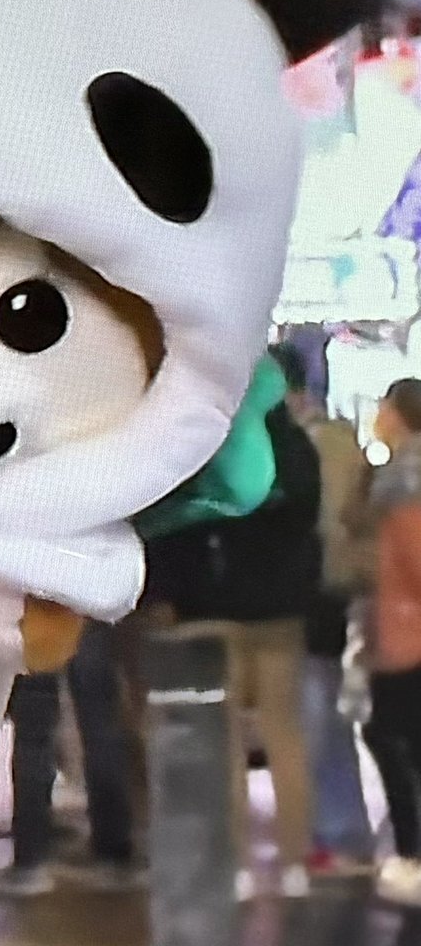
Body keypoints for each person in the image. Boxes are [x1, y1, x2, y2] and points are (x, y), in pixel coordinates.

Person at [144, 394, 322, 900]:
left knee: (225, 746)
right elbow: (309, 519)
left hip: (212, 606)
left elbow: (177, 525)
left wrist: (167, 595)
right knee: (285, 735)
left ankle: (239, 867)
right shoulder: (293, 444)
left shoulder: (210, 442)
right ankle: (295, 867)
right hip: (280, 610)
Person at [270, 343, 375, 878]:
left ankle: (333, 833)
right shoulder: (337, 439)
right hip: (330, 595)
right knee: (323, 713)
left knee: (313, 715)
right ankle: (340, 829)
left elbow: (321, 522)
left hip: (309, 594)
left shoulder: (305, 444)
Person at [0, 620, 142, 897]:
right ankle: (113, 857)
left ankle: (30, 861)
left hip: (38, 611)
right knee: (101, 723)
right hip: (89, 607)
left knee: (33, 733)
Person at [358, 379, 421, 907]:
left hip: (407, 633)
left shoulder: (404, 481)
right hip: (401, 628)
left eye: (384, 406)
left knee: (392, 737)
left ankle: (412, 853)